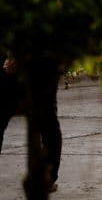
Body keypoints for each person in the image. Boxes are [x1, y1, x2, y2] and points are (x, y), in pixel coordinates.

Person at [0, 55, 62, 195]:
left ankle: (47, 178)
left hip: (39, 60)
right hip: (23, 60)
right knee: (47, 120)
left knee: (47, 119)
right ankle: (47, 178)